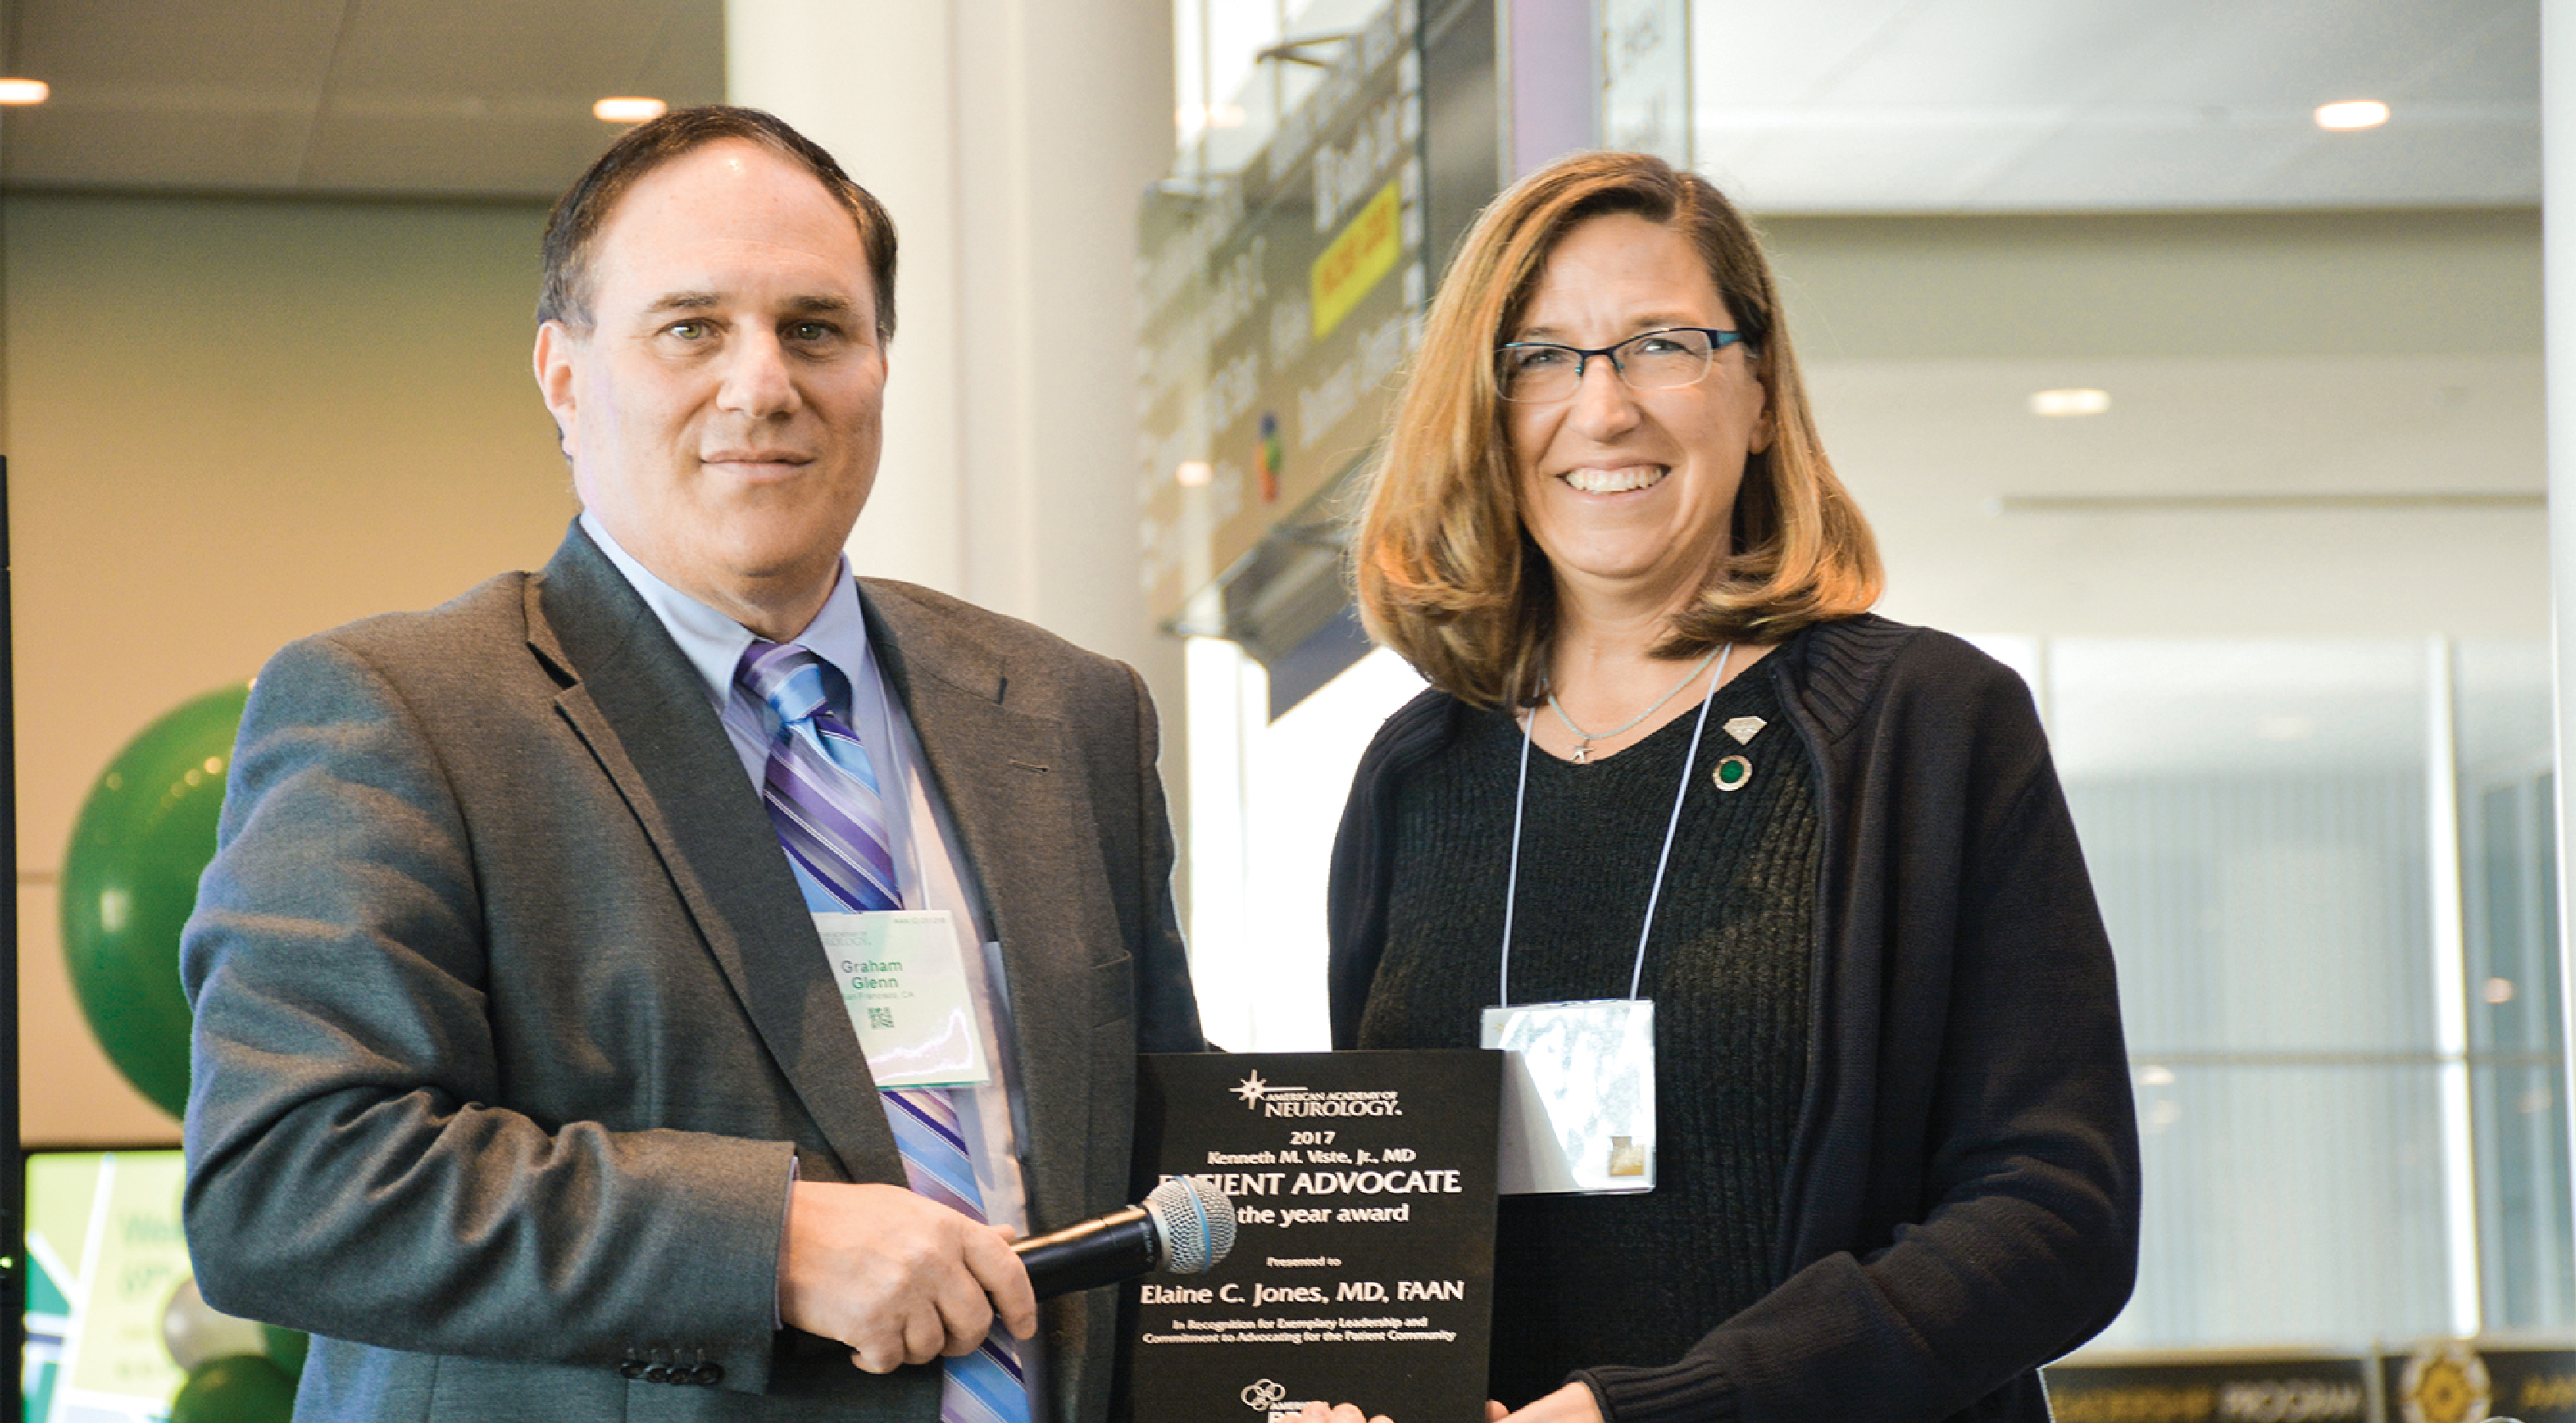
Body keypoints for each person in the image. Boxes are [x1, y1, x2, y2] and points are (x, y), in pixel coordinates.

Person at [181, 105, 1240, 1422]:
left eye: (816, 329)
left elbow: (1163, 1150)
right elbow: (287, 1185)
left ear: (878, 365)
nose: (762, 386)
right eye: (691, 328)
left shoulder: (1067, 713)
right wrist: (776, 1245)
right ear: (565, 379)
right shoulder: (401, 709)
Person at [1327, 150, 2140, 1423]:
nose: (1602, 411)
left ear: (1758, 392)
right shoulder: (1416, 775)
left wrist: (1666, 1409)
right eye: (1541, 357)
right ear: (1481, 411)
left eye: (1662, 344)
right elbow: (1393, 1227)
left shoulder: (1922, 728)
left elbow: (2054, 1215)